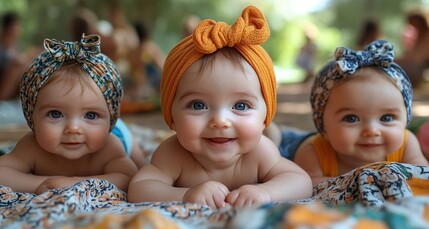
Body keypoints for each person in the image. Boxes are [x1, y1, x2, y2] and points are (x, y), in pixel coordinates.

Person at [127, 5, 313, 209]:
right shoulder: (173, 154)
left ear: (265, 115)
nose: (220, 121)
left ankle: (275, 132)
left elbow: (301, 181)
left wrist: (266, 191)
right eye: (198, 105)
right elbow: (139, 188)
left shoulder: (260, 151)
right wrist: (186, 194)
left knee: (278, 141)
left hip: (276, 141)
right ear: (171, 113)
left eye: (241, 105)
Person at [264, 40, 429, 186]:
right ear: (323, 126)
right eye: (351, 118)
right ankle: (274, 131)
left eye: (386, 118)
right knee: (272, 146)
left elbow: (421, 177)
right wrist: (361, 181)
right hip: (293, 146)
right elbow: (308, 186)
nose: (371, 130)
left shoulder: (406, 144)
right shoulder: (312, 151)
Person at [0, 34, 143, 194]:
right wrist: (46, 183)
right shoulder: (32, 147)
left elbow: (129, 177)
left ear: (111, 117)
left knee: (142, 165)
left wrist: (73, 183)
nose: (73, 128)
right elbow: (3, 172)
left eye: (90, 115)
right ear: (31, 115)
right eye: (55, 114)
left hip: (121, 133)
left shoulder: (109, 147)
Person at [128, 21, 166, 100]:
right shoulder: (137, 49)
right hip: (145, 82)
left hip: (155, 81)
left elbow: (161, 66)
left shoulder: (147, 47)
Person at [0, 12, 31, 100]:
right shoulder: (2, 43)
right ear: (10, 27)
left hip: (12, 84)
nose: (19, 28)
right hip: (3, 84)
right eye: (17, 25)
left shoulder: (15, 44)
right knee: (17, 68)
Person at [397, 9, 429, 87]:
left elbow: (419, 57)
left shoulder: (426, 35)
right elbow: (413, 53)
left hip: (420, 66)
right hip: (416, 64)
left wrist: (405, 59)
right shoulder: (420, 35)